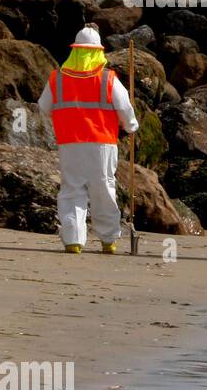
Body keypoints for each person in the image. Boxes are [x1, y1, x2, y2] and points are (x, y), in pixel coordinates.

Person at [37, 25, 139, 254]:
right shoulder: (108, 79)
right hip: (101, 143)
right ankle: (108, 240)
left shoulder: (57, 78)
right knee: (103, 189)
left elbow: (43, 108)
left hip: (69, 143)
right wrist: (131, 126)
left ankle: (73, 240)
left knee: (72, 190)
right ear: (98, 52)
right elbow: (124, 107)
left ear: (75, 51)